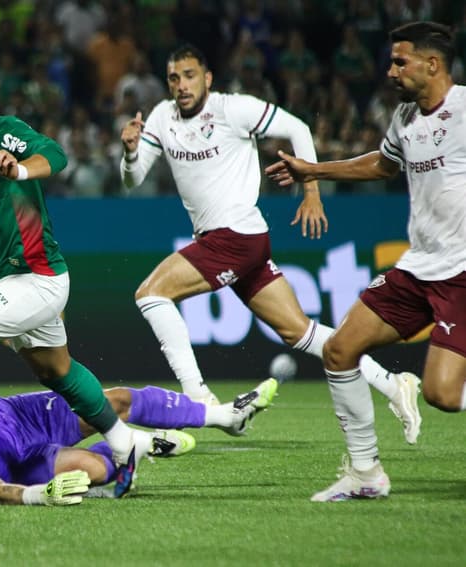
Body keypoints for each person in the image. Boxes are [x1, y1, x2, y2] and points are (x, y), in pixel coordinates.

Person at [118, 43, 422, 443]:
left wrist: (311, 189)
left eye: (190, 75)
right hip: (234, 241)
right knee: (301, 332)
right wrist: (129, 152)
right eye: (175, 78)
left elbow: (298, 127)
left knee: (151, 294)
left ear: (207, 78)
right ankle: (392, 383)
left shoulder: (232, 109)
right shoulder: (161, 116)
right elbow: (133, 179)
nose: (182, 85)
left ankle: (199, 399)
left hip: (235, 236)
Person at [265, 21, 465, 502]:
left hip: (462, 273)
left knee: (441, 393)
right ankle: (365, 473)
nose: (391, 69)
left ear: (431, 64)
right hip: (418, 268)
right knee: (339, 351)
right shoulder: (404, 116)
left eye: (401, 61)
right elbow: (382, 164)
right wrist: (314, 170)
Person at [0, 76, 140, 485]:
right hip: (17, 279)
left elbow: (54, 155)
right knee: (57, 372)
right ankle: (124, 444)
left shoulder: (2, 131)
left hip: (36, 277)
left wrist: (18, 169)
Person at [0, 301, 276, 505]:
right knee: (99, 471)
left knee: (113, 401)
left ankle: (224, 416)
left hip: (15, 417)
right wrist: (36, 496)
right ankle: (138, 447)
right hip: (21, 464)